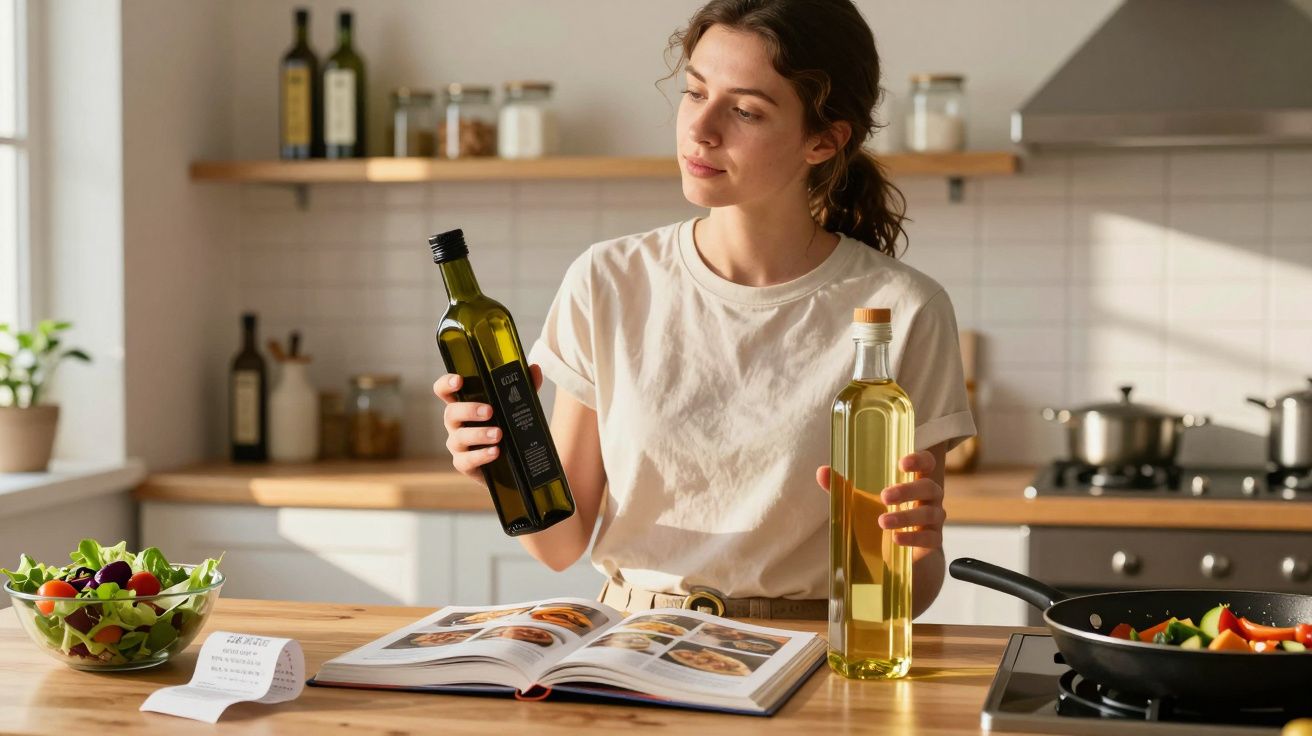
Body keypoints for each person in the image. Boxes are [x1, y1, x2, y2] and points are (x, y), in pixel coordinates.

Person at [434, 0, 976, 620]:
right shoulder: (606, 282)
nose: (701, 129)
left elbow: (906, 589)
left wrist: (916, 542)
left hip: (811, 657)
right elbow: (559, 546)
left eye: (745, 110)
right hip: (631, 646)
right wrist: (502, 474)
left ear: (824, 140)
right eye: (695, 93)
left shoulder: (901, 311)